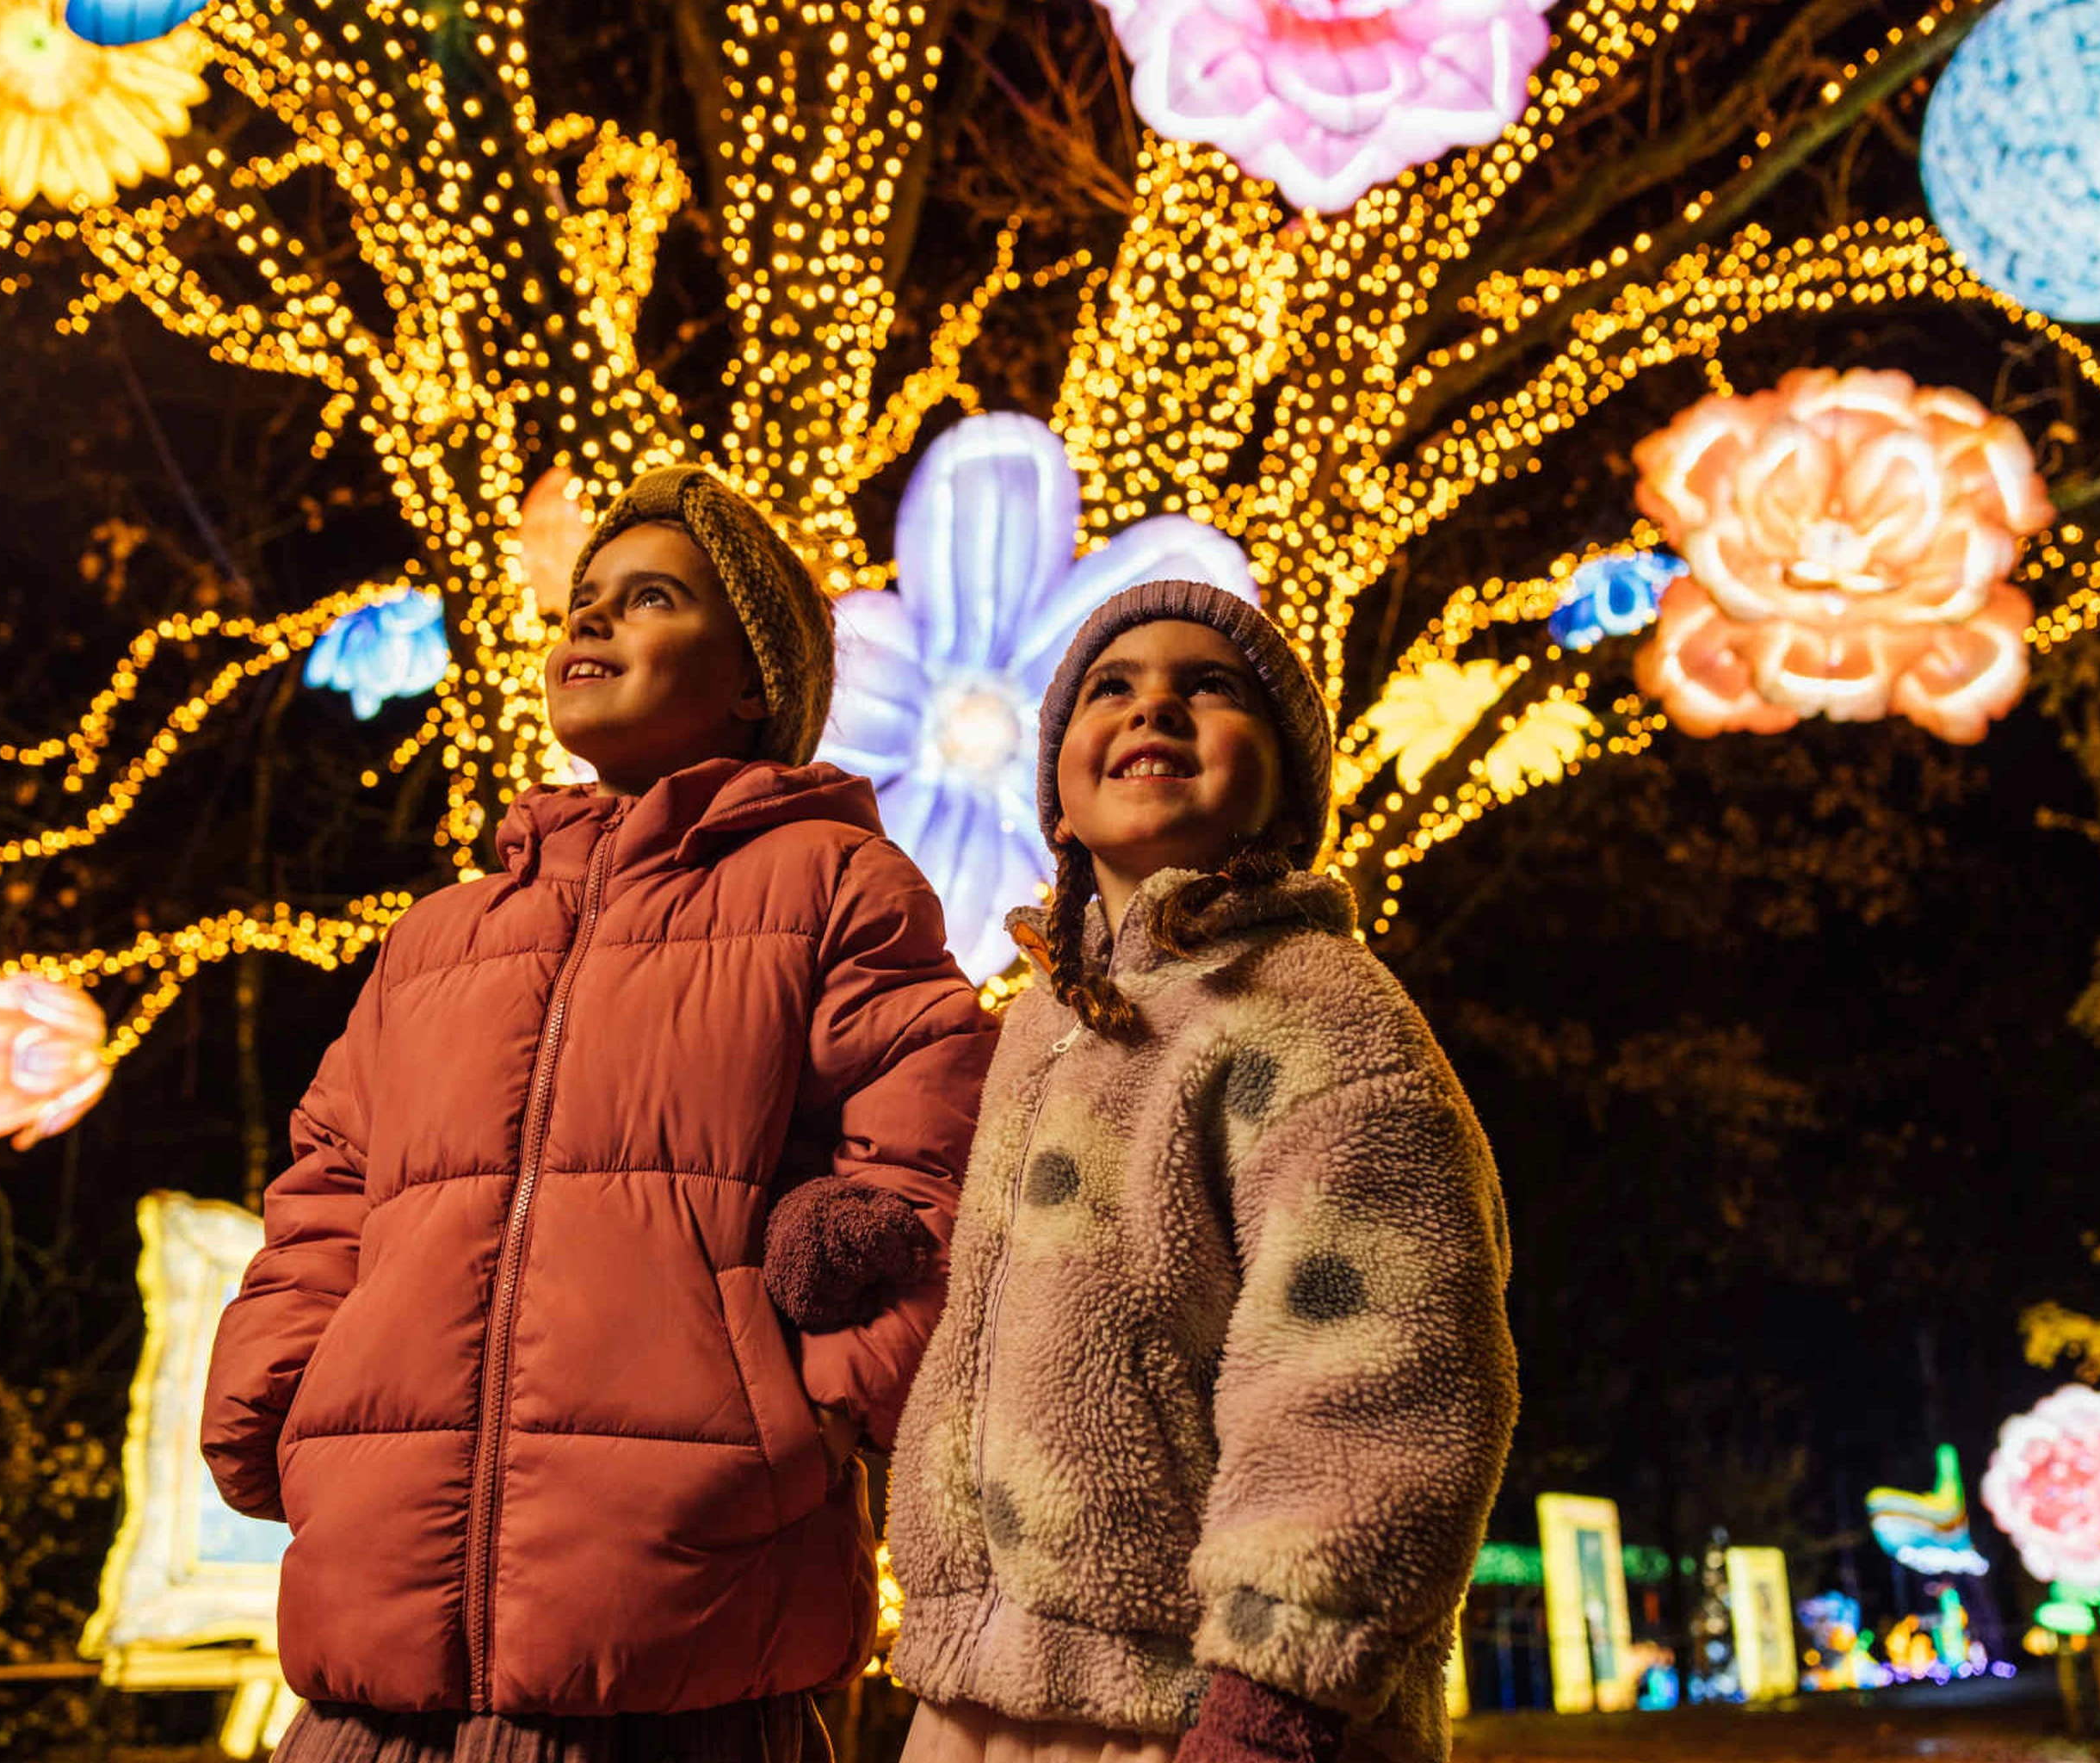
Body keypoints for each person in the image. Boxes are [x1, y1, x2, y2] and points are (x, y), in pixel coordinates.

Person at [203, 465, 997, 1763]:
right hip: (371, 1677)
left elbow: (927, 1170)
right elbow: (327, 1191)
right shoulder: (443, 935)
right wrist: (282, 1397)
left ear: (753, 677)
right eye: (585, 601)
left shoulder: (839, 883)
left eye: (653, 599)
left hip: (676, 1666)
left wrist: (807, 1425)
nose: (593, 624)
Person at [886, 579, 1516, 1763]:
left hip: (1198, 1705)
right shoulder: (1039, 1029)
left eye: (1210, 688)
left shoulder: (1315, 1010)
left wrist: (1281, 1686)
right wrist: (878, 1235)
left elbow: (1384, 1360)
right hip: (979, 1692)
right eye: (1111, 688)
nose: (1154, 708)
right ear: (1058, 802)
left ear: (1285, 790)